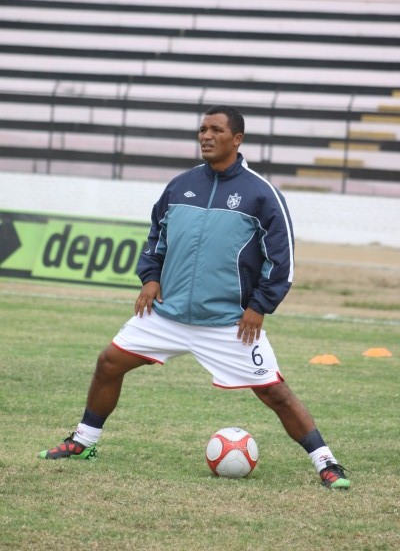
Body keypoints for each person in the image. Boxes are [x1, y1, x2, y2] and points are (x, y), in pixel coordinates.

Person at [38, 105, 350, 490]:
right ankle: (84, 442)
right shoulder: (179, 185)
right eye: (202, 129)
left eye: (216, 129)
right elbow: (157, 237)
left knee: (275, 392)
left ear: (237, 139)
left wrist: (259, 307)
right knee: (108, 362)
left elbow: (281, 261)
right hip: (166, 315)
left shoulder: (261, 194)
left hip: (228, 323)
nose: (206, 136)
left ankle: (326, 463)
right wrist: (150, 278)